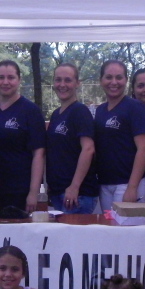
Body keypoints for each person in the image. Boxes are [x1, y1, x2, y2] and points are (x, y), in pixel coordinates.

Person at [0, 60, 46, 212]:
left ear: (19, 80)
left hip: (18, 190)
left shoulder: (30, 111)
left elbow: (38, 155)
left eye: (11, 77)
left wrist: (33, 193)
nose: (5, 82)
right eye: (1, 77)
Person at [93, 60, 145, 208]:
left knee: (126, 231)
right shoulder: (100, 111)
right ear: (101, 81)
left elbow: (144, 148)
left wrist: (132, 187)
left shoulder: (135, 107)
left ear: (125, 80)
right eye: (108, 77)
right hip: (105, 184)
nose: (114, 82)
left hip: (127, 185)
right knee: (109, 230)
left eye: (119, 77)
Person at [46, 63, 99, 214]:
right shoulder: (56, 114)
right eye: (58, 80)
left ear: (77, 83)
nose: (62, 85)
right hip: (58, 193)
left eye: (68, 80)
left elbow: (88, 149)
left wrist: (74, 186)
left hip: (77, 195)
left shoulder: (80, 112)